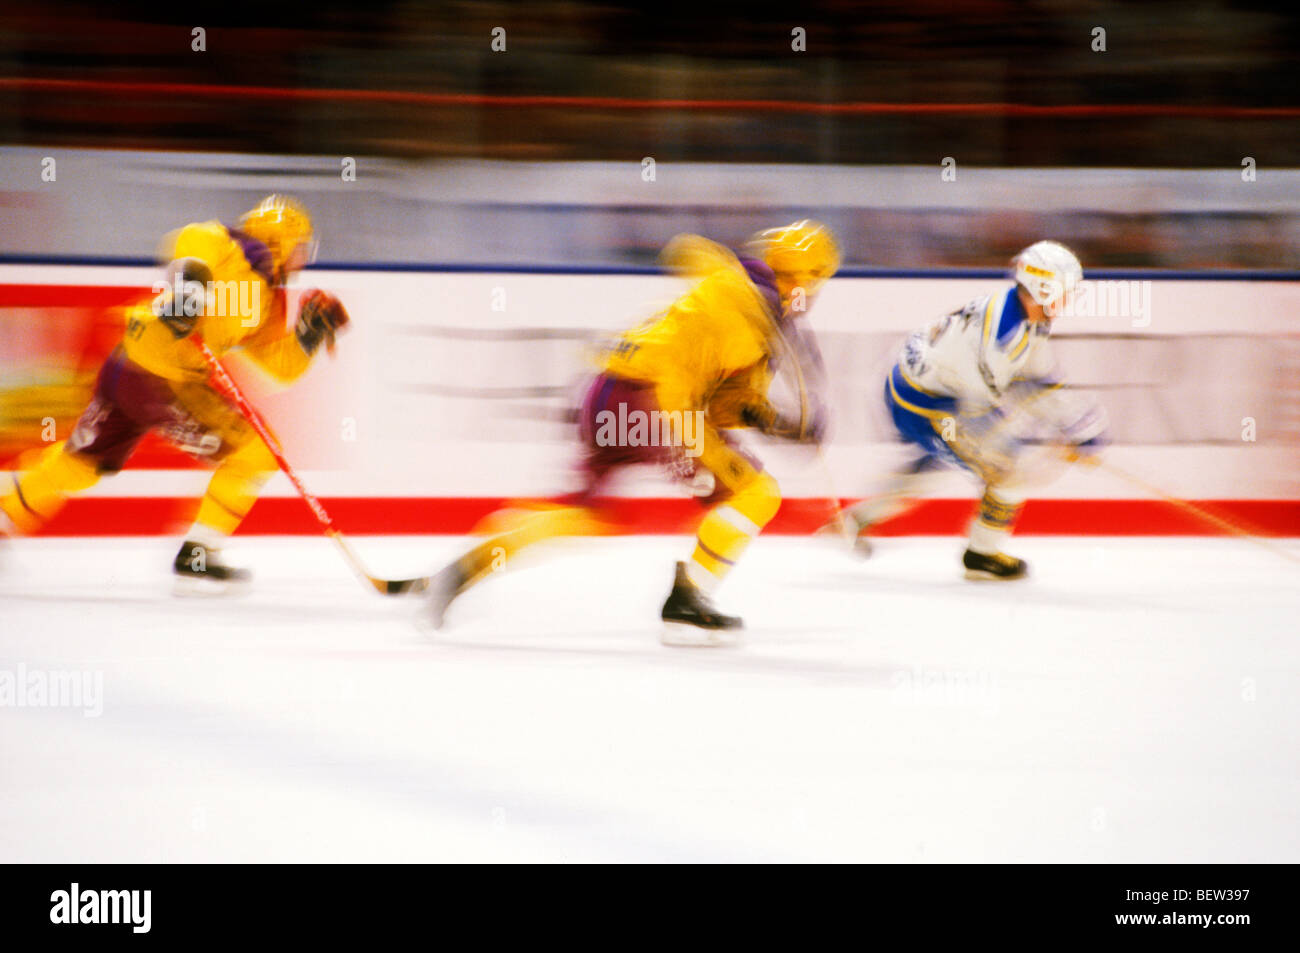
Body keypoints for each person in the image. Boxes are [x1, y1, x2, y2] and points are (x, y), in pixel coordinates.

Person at [425, 221, 841, 644]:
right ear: (802, 278)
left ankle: (472, 562)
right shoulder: (751, 314)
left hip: (606, 389)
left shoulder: (737, 287)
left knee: (589, 516)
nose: (808, 293)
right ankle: (688, 598)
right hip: (656, 403)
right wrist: (765, 425)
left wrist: (766, 419)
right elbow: (708, 394)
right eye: (810, 280)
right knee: (755, 493)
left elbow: (687, 253)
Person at [0, 195, 349, 591]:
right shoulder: (224, 244)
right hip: (162, 376)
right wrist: (190, 287)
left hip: (132, 365)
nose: (302, 260)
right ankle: (197, 555)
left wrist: (307, 335)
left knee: (81, 466)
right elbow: (190, 241)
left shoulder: (269, 301)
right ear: (279, 239)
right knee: (255, 453)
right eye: (300, 248)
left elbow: (278, 369)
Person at [837, 240, 1107, 579]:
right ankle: (981, 555)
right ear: (1043, 288)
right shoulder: (998, 337)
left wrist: (1076, 427)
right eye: (1065, 292)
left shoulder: (1026, 317)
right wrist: (1062, 438)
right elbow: (1000, 403)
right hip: (927, 406)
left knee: (937, 461)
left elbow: (1037, 381)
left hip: (923, 393)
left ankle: (859, 519)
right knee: (1010, 467)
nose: (1068, 301)